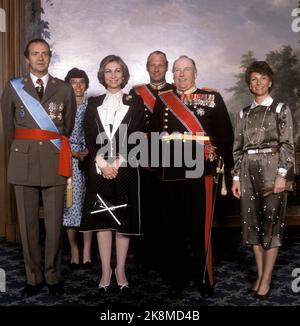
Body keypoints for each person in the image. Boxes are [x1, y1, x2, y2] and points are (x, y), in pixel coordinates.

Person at [151, 55, 234, 297]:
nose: (181, 74)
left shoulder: (212, 98)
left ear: (195, 73)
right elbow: (155, 136)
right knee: (172, 231)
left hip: (201, 175)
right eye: (177, 70)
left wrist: (223, 166)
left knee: (200, 231)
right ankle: (176, 280)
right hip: (170, 175)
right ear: (172, 74)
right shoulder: (164, 99)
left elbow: (225, 136)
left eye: (186, 70)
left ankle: (205, 279)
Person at [1, 38, 76, 297]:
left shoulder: (64, 89)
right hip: (23, 161)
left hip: (54, 161)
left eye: (44, 54)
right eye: (35, 54)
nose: (40, 58)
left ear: (49, 57)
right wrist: (26, 149)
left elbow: (68, 124)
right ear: (27, 58)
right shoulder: (13, 87)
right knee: (27, 224)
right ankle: (33, 277)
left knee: (54, 225)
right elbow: (10, 129)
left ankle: (53, 275)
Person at [80, 55, 145, 293]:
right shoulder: (93, 103)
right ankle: (106, 269)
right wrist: (102, 163)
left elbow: (137, 136)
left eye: (118, 71)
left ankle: (121, 269)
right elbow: (89, 136)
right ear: (102, 75)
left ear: (124, 74)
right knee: (103, 220)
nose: (113, 75)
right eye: (108, 71)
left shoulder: (135, 103)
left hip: (125, 169)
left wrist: (116, 163)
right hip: (99, 169)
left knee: (123, 221)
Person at [231, 61, 294, 300]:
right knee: (252, 226)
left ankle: (266, 278)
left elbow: (287, 145)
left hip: (272, 169)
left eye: (263, 78)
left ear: (270, 81)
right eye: (254, 79)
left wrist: (281, 175)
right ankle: (259, 274)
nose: (258, 82)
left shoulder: (280, 109)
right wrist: (236, 177)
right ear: (249, 84)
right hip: (247, 169)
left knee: (271, 224)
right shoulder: (243, 112)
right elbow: (237, 147)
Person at [129, 51, 173, 270]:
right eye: (152, 65)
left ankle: (167, 254)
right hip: (143, 156)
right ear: (147, 67)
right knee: (143, 206)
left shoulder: (177, 91)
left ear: (167, 67)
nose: (156, 69)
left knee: (168, 208)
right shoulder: (136, 93)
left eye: (161, 65)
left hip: (171, 157)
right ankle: (144, 255)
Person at [63, 68, 93, 270]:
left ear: (87, 84)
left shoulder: (94, 106)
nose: (78, 86)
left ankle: (88, 251)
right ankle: (74, 249)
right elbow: (56, 135)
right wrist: (73, 153)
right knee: (71, 204)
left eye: (81, 82)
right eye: (74, 82)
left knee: (89, 205)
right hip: (69, 158)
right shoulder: (63, 107)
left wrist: (89, 150)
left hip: (92, 157)